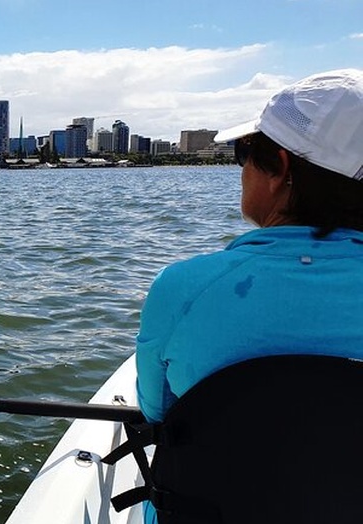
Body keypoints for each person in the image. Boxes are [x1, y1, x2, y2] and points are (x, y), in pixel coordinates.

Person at [133, 69, 363, 522]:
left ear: (278, 167)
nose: (241, 169)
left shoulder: (184, 290)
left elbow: (158, 412)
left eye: (245, 152)